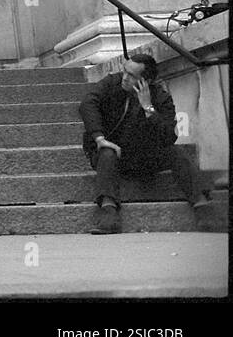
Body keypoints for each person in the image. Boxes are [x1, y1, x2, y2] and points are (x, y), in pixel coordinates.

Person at [80, 52, 216, 234]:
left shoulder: (161, 98)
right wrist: (100, 138)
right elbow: (88, 103)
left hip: (146, 158)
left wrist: (148, 109)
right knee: (107, 152)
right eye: (125, 71)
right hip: (115, 156)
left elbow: (168, 137)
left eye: (131, 76)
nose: (125, 78)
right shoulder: (112, 83)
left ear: (147, 81)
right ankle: (108, 211)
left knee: (176, 152)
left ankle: (202, 207)